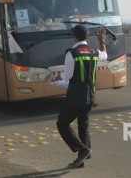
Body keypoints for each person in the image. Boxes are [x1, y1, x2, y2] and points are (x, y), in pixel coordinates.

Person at [54, 25, 107, 169]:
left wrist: (58, 76)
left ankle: (83, 150)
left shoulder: (72, 53)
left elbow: (67, 76)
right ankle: (82, 159)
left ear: (74, 36)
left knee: (62, 123)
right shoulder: (94, 51)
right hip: (90, 94)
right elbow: (105, 55)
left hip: (75, 95)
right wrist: (101, 41)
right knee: (83, 125)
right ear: (87, 36)